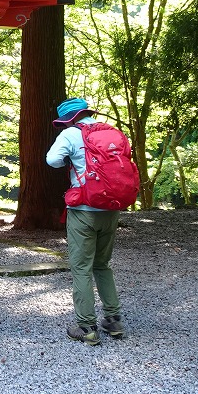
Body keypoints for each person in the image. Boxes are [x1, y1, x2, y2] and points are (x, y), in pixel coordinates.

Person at [45, 97, 126, 346]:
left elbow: (52, 160)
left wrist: (71, 159)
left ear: (69, 119)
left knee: (81, 267)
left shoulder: (70, 134)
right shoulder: (112, 132)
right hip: (111, 208)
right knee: (102, 264)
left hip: (83, 209)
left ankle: (87, 327)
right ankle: (113, 320)